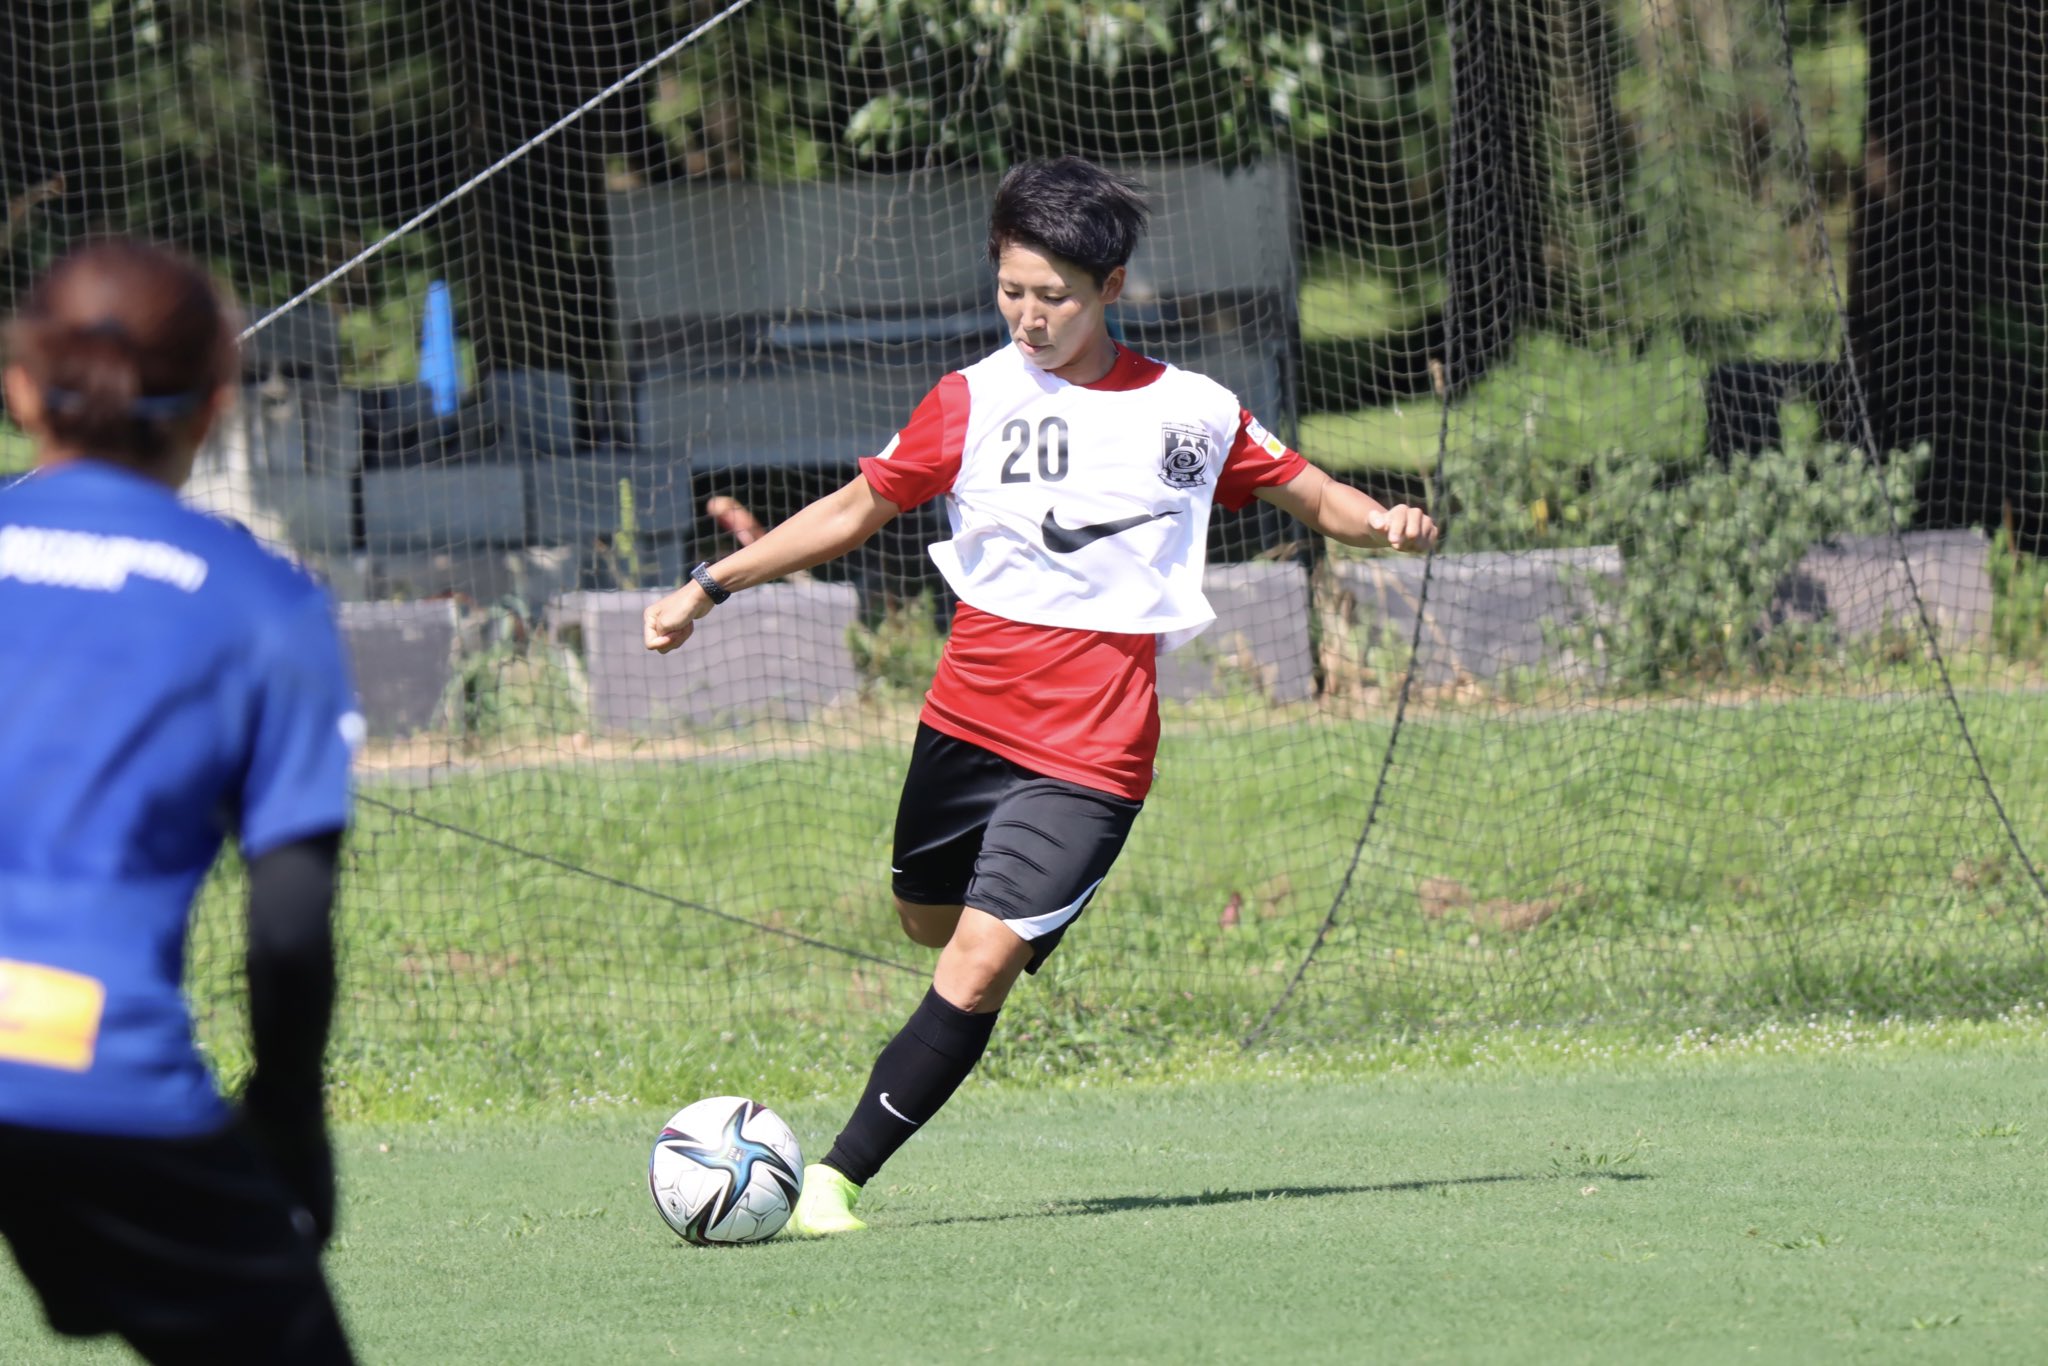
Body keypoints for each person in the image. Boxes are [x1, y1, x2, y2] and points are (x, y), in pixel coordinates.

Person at [642, 158, 1439, 1237]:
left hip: (1091, 755)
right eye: (1011, 290)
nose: (1029, 315)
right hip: (961, 727)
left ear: (1110, 287)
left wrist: (1380, 520)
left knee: (974, 966)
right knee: (927, 923)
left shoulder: (1189, 413)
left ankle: (831, 1181)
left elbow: (1306, 489)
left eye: (1053, 296)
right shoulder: (970, 399)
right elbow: (850, 508)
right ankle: (1010, 924)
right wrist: (707, 585)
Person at [0, 240, 359, 1363]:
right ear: (216, 405)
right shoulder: (264, 605)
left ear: (19, 388)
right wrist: (291, 1129)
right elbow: (289, 925)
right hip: (90, 1072)